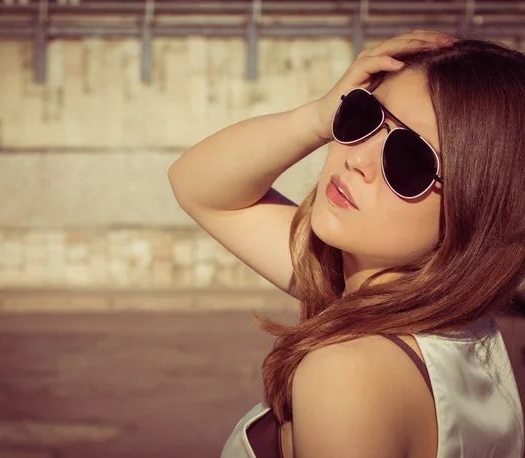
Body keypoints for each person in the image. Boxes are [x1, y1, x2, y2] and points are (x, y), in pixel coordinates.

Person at [168, 30, 525, 458]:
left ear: (477, 210)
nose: (357, 158)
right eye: (364, 115)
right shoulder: (478, 333)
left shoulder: (346, 372)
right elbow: (200, 186)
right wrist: (322, 114)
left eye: (411, 159)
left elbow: (201, 191)